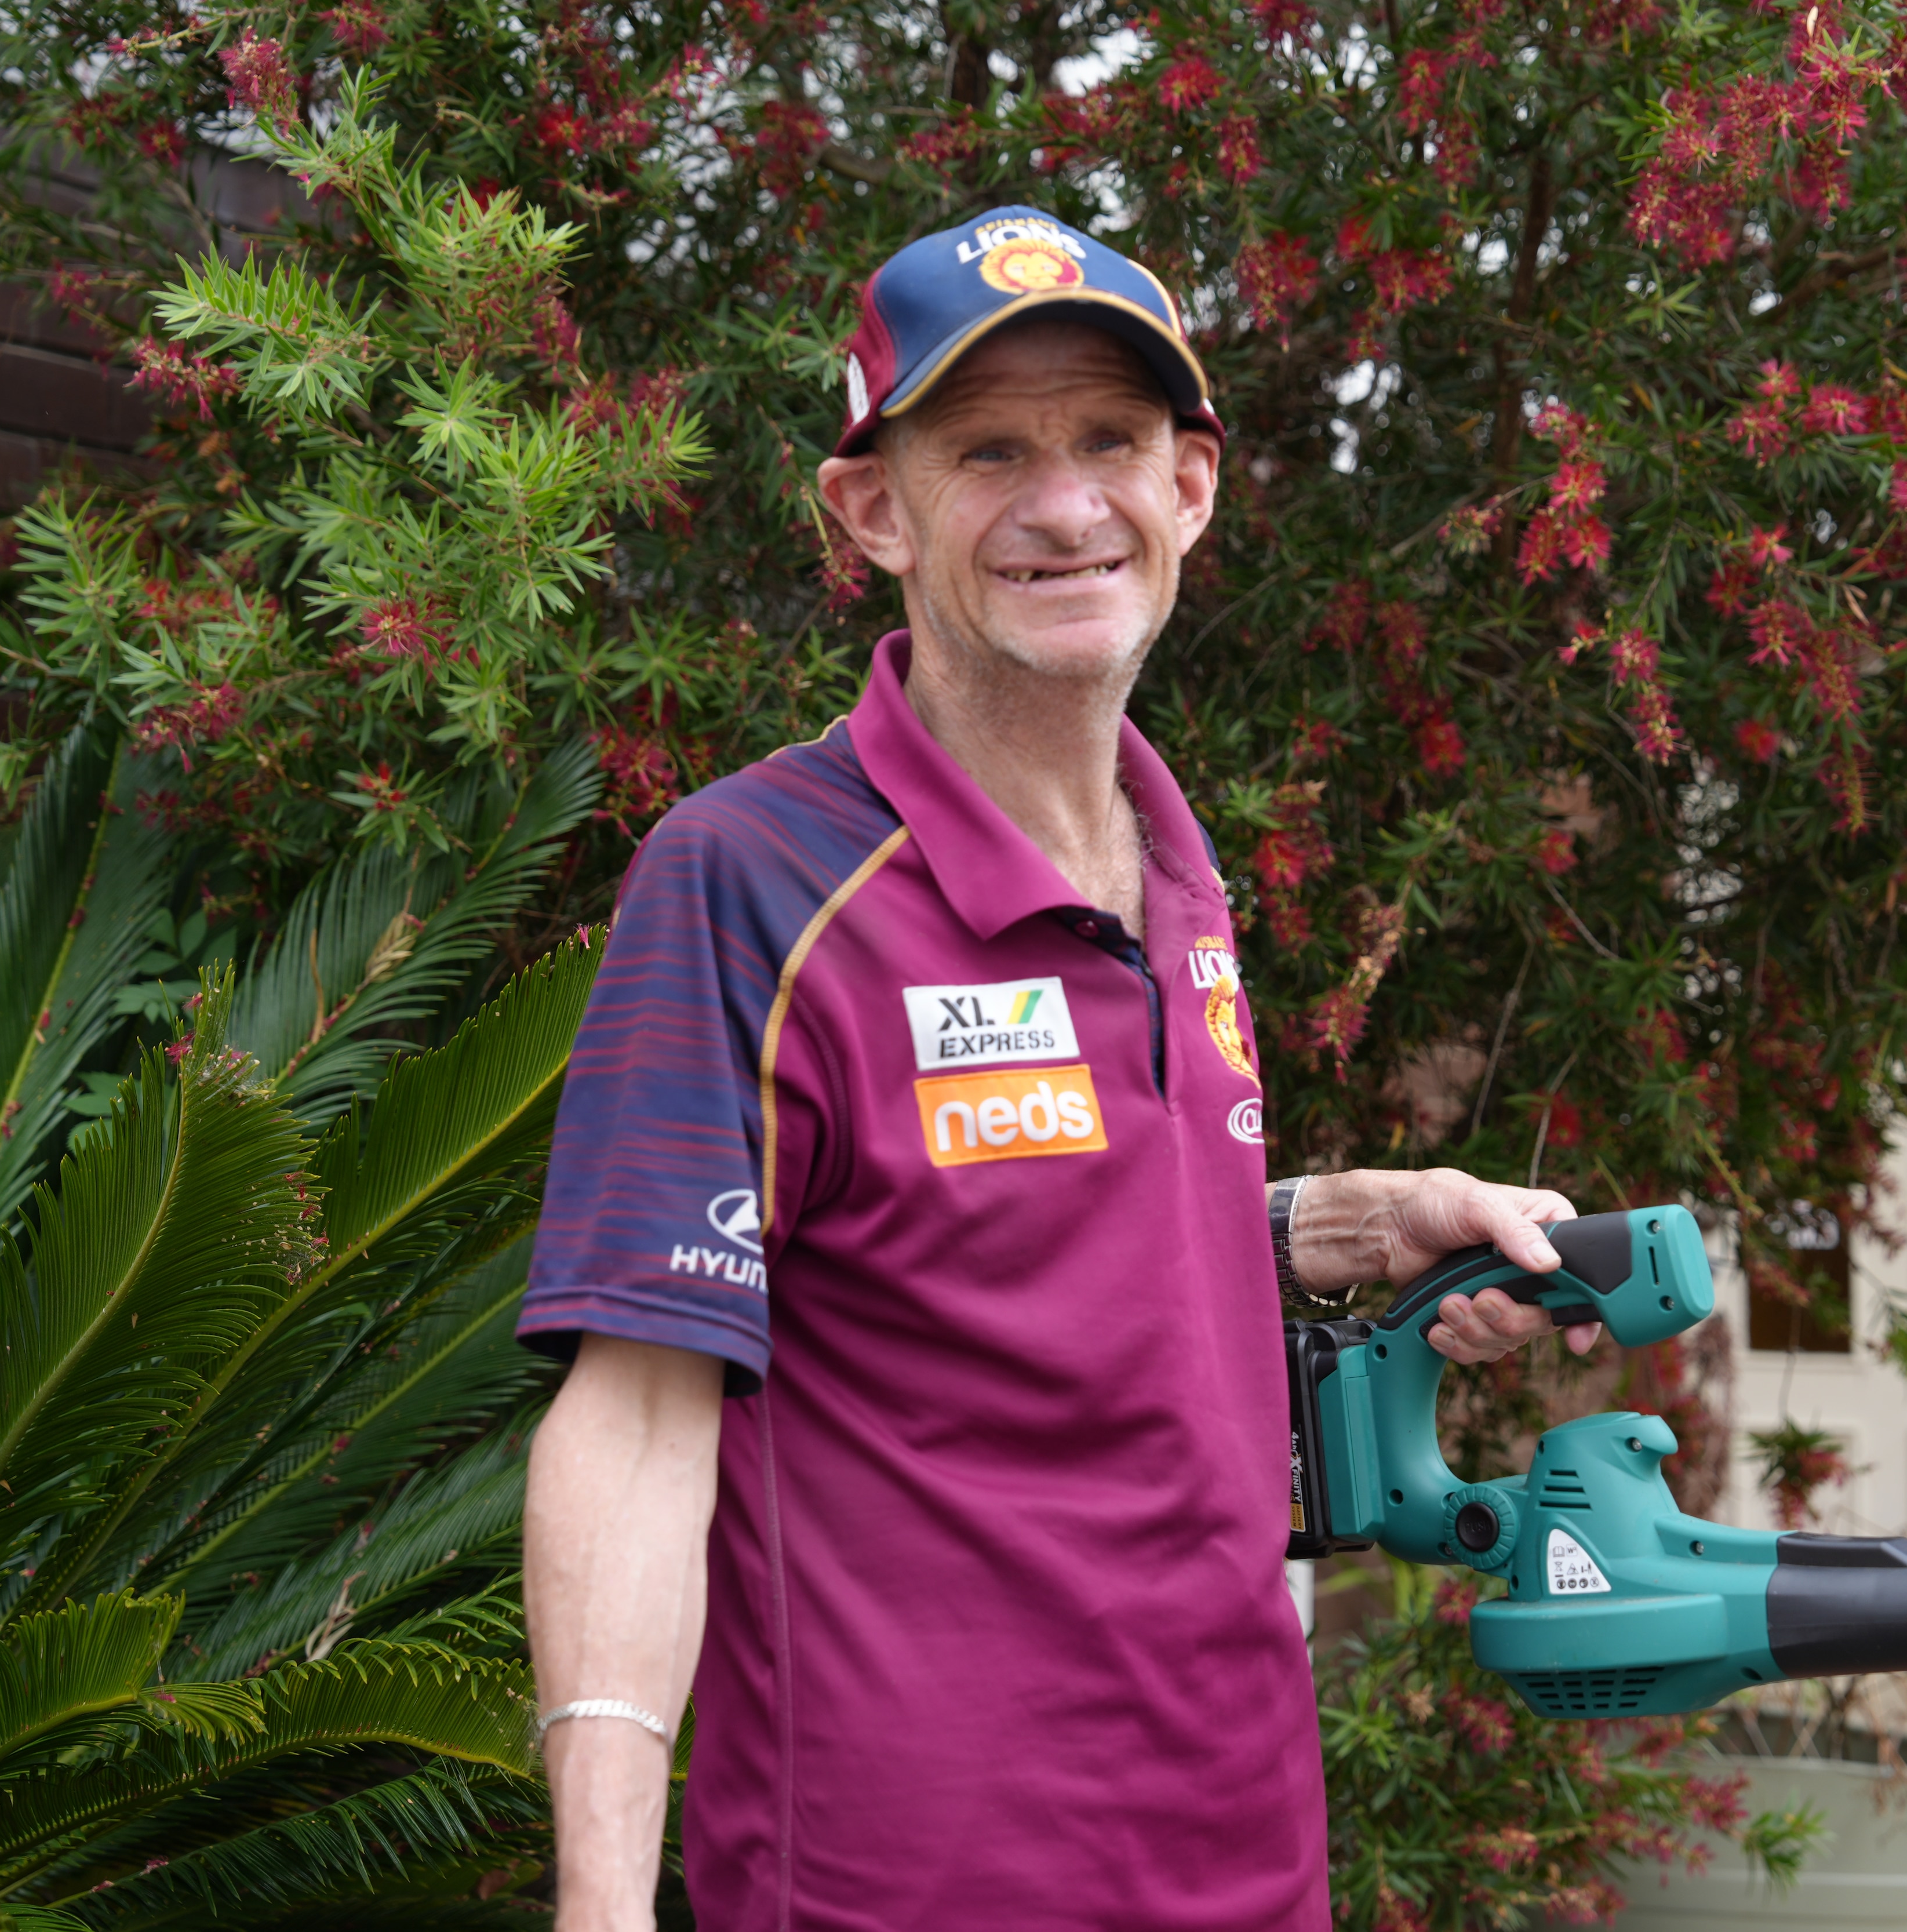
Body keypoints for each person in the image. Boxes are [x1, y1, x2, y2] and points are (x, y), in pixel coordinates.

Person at [516, 206, 1602, 1932]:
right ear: (872, 509)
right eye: (990, 451)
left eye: (1109, 440)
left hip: (1244, 1856)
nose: (1066, 503)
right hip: (904, 1881)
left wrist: (1365, 1216)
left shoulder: (1174, 866)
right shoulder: (754, 883)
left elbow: (1051, 1230)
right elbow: (642, 1413)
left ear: (1191, 487)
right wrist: (600, 1907)